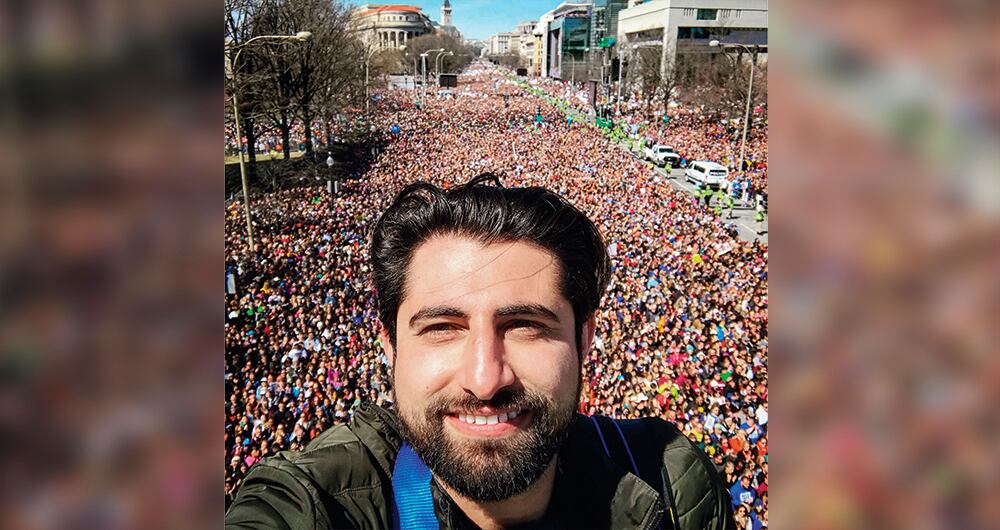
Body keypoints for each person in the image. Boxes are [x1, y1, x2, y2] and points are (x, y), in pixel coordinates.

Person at [226, 175, 736, 529]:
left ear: (584, 339)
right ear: (391, 347)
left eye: (526, 326)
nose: (485, 378)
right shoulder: (314, 502)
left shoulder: (674, 482)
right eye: (442, 328)